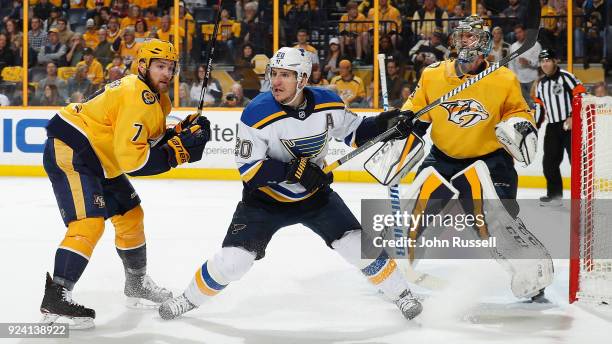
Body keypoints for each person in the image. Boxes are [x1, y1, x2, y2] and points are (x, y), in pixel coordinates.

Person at [157, 46, 422, 321]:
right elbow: (250, 170)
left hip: (315, 196)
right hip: (264, 201)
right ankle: (187, 299)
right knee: (234, 263)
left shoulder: (328, 103)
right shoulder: (256, 113)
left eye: (286, 74)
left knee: (356, 245)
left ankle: (402, 294)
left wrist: (386, 122)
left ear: (304, 79)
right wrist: (295, 170)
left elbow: (355, 132)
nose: (276, 81)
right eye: (274, 73)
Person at [39, 39, 212, 329]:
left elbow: (145, 140)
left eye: (170, 67)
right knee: (89, 223)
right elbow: (134, 161)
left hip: (100, 157)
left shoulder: (157, 98)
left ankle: (136, 284)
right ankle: (56, 298)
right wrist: (178, 152)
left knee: (131, 215)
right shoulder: (137, 95)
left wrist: (180, 133)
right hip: (74, 149)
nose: (166, 73)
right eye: (159, 66)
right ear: (142, 66)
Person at [400, 16, 546, 300]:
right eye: (462, 36)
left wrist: (517, 123)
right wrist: (403, 122)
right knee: (414, 213)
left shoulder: (503, 78)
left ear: (485, 44)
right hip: (443, 157)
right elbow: (415, 112)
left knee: (499, 219)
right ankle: (396, 273)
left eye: (472, 37)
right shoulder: (433, 74)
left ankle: (529, 276)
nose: (465, 41)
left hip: (490, 160)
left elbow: (520, 113)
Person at [533, 49, 586, 205]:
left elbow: (580, 93)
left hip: (571, 126)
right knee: (549, 163)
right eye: (542, 61)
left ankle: (583, 197)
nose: (545, 64)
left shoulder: (566, 77)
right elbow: (540, 108)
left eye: (548, 60)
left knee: (576, 162)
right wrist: (534, 126)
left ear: (555, 61)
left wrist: (573, 116)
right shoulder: (541, 84)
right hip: (553, 127)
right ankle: (555, 196)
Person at [508, 23, 541, 108]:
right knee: (524, 106)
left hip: (533, 80)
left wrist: (529, 63)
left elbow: (540, 63)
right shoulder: (513, 47)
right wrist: (514, 79)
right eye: (516, 33)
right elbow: (511, 65)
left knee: (535, 104)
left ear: (525, 32)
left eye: (520, 32)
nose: (518, 35)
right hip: (519, 81)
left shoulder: (535, 45)